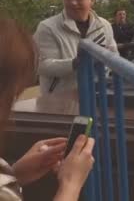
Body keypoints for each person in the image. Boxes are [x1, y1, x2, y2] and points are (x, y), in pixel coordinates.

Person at [0, 17, 96, 200]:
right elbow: (45, 65)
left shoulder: (102, 25)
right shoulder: (47, 27)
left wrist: (14, 174)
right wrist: (70, 185)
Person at [34, 0, 118, 94]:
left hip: (96, 98)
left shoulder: (104, 25)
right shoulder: (47, 27)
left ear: (92, 0)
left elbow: (114, 58)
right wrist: (75, 63)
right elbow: (40, 65)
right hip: (58, 101)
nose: (73, 2)